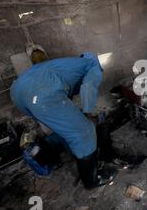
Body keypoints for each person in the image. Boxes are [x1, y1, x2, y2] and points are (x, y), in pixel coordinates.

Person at [10, 50, 116, 189]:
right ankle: (92, 180)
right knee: (85, 131)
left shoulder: (68, 64)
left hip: (18, 92)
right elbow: (89, 87)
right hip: (42, 95)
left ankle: (68, 155)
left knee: (65, 126)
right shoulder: (93, 66)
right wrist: (88, 115)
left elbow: (65, 94)